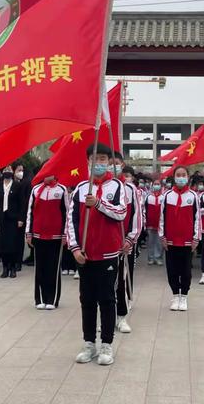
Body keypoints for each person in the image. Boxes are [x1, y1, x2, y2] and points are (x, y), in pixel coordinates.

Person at [67, 143, 127, 366]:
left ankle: (107, 345)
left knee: (107, 299)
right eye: (95, 159)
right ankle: (89, 343)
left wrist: (100, 204)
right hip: (85, 254)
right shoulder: (81, 189)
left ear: (109, 162)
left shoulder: (118, 187)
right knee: (87, 300)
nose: (99, 163)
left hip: (108, 253)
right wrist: (74, 248)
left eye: (103, 159)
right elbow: (71, 221)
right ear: (88, 162)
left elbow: (121, 213)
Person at [159, 165, 201, 311]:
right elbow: (162, 218)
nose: (181, 177)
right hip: (170, 240)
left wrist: (196, 238)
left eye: (184, 174)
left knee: (185, 271)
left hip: (187, 241)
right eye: (178, 174)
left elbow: (197, 219)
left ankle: (184, 297)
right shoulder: (166, 195)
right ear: (174, 177)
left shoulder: (193, 196)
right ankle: (175, 296)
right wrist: (162, 236)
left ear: (188, 177)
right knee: (172, 270)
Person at [26, 175, 69, 310]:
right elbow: (30, 212)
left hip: (56, 236)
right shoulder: (36, 190)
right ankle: (39, 299)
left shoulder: (62, 190)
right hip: (38, 235)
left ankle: (52, 299)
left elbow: (67, 213)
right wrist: (28, 233)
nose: (47, 176)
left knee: (53, 267)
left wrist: (65, 234)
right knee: (40, 268)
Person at [112, 157, 142, 334]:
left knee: (122, 279)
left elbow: (137, 217)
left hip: (124, 243)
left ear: (121, 165)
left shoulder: (131, 189)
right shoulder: (98, 188)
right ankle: (108, 318)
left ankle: (121, 317)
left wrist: (130, 239)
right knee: (106, 284)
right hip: (105, 244)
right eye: (110, 162)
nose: (112, 166)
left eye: (116, 163)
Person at [0, 166, 24, 279]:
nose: (7, 173)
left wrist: (21, 219)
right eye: (5, 171)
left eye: (9, 171)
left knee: (13, 244)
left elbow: (21, 204)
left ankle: (13, 268)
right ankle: (5, 268)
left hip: (13, 220)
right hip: (1, 219)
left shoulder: (17, 186)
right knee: (2, 244)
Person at [14, 163, 31, 271]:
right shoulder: (8, 183)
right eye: (19, 170)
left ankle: (18, 262)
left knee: (19, 240)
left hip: (21, 216)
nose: (21, 172)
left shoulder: (26, 183)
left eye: (22, 170)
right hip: (10, 217)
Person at [145, 178, 164, 266]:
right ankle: (151, 258)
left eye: (158, 184)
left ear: (161, 186)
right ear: (152, 185)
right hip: (150, 224)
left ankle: (158, 258)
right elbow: (145, 210)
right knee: (150, 242)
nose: (156, 185)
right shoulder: (148, 197)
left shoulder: (163, 197)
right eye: (155, 184)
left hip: (160, 224)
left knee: (159, 242)